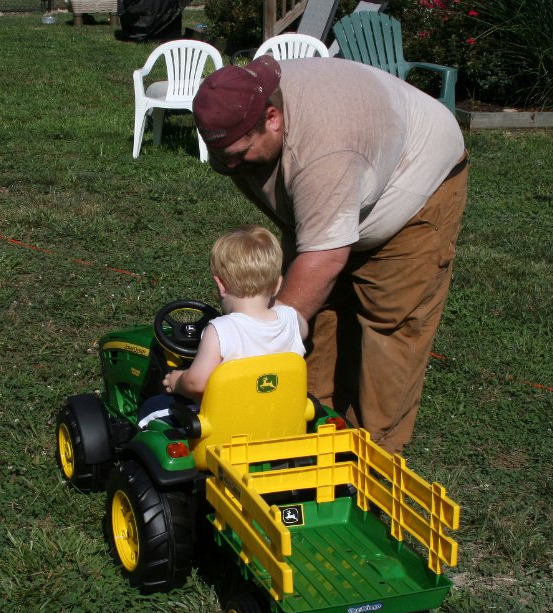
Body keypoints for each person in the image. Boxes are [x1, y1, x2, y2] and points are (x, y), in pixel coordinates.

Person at [192, 55, 468, 455]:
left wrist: (253, 350)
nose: (230, 166)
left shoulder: (323, 152)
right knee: (319, 311)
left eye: (239, 154)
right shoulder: (242, 102)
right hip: (337, 182)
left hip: (414, 185)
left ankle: (372, 457)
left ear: (273, 118)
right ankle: (299, 425)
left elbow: (323, 260)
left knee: (389, 324)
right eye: (221, 156)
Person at [137, 225, 307, 428]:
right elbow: (300, 329)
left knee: (151, 408)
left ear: (221, 285)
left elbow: (196, 384)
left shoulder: (220, 330)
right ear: (278, 285)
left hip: (231, 424)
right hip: (280, 419)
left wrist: (177, 380)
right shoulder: (292, 319)